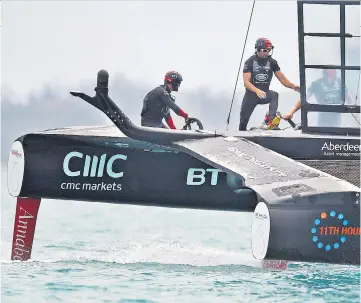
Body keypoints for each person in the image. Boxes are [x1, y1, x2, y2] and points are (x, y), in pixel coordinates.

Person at [239, 37, 300, 131]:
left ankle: (271, 122)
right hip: (251, 95)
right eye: (264, 50)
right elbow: (246, 82)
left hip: (264, 94)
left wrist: (293, 86)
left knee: (274, 95)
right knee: (243, 123)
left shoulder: (272, 62)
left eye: (269, 50)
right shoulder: (250, 62)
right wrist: (257, 90)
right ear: (258, 49)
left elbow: (282, 79)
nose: (267, 53)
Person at [283, 69, 355, 127]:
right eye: (329, 74)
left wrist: (354, 112)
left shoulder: (339, 82)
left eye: (333, 73)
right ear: (324, 73)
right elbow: (303, 99)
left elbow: (349, 97)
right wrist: (291, 112)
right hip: (323, 118)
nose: (331, 76)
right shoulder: (316, 84)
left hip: (337, 117)